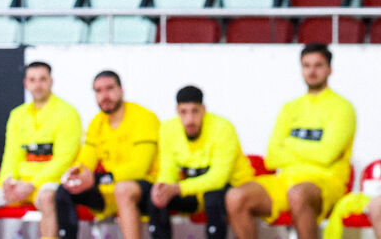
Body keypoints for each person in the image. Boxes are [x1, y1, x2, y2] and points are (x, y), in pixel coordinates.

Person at [226, 43, 356, 239]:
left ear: (329, 69)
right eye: (306, 65)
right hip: (286, 180)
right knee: (235, 196)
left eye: (318, 65)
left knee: (298, 194)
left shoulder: (343, 108)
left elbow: (326, 155)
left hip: (324, 182)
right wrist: (312, 149)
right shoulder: (290, 108)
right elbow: (272, 157)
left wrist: (289, 144)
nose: (312, 71)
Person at [0, 62, 81, 239]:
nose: (37, 85)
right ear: (26, 83)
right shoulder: (17, 114)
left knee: (47, 199)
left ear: (51, 81)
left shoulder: (68, 113)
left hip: (47, 183)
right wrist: (8, 182)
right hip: (18, 183)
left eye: (42, 79)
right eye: (32, 80)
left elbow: (64, 160)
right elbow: (12, 155)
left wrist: (31, 184)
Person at [116, 86, 253, 239]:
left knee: (213, 197)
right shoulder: (168, 129)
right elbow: (168, 170)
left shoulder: (223, 128)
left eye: (195, 111)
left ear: (204, 110)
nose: (189, 120)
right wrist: (163, 187)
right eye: (183, 112)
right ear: (177, 111)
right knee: (156, 197)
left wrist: (177, 188)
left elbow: (218, 178)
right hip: (191, 188)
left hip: (227, 187)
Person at [37, 70, 159, 239]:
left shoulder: (144, 118)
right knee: (64, 190)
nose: (104, 95)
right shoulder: (97, 122)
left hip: (146, 187)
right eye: (98, 91)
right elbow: (86, 161)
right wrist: (76, 174)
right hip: (108, 188)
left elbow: (139, 169)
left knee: (123, 190)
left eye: (109, 88)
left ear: (121, 90)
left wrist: (97, 178)